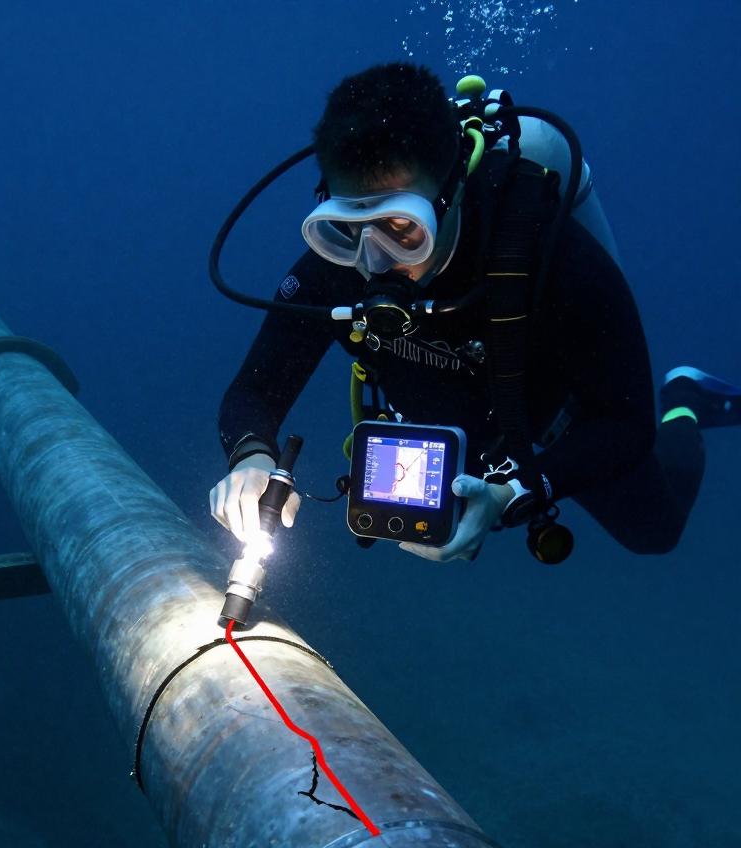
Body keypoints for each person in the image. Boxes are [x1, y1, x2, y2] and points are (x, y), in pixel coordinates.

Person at [209, 62, 741, 561]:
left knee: (655, 531)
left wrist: (518, 491)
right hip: (448, 414)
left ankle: (686, 400)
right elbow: (255, 389)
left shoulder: (545, 249)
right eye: (348, 224)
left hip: (542, 403)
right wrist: (251, 457)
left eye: (402, 228)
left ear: (453, 191)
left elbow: (624, 424)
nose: (373, 260)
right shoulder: (336, 262)